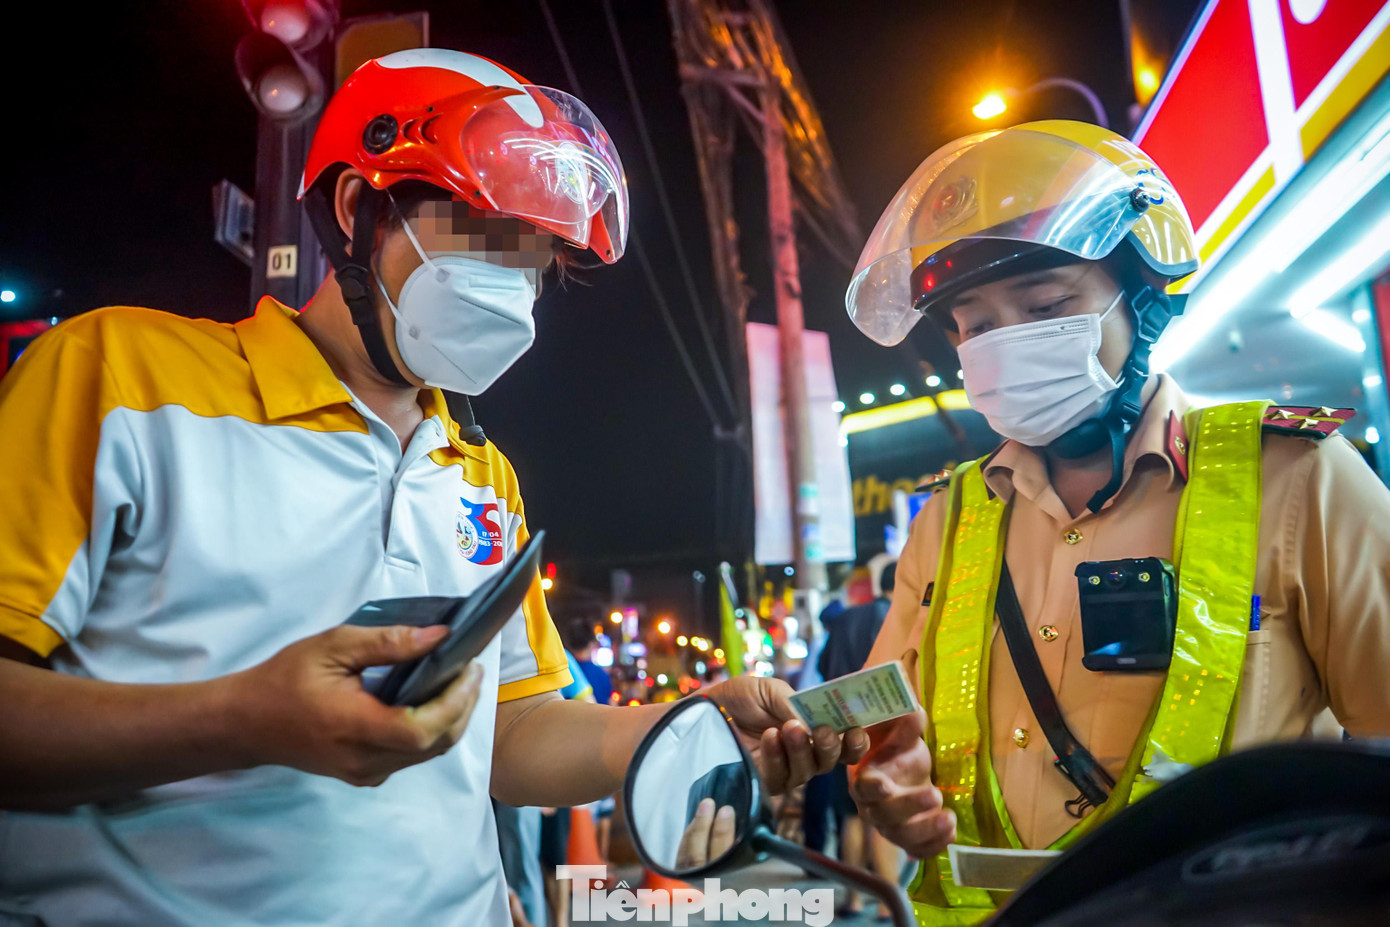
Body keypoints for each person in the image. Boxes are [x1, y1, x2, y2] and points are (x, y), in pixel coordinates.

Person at [0, 49, 868, 926]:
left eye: (537, 261)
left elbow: (512, 733)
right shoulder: (117, 375)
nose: (515, 290)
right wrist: (240, 716)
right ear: (356, 209)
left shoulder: (482, 471)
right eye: (488, 237)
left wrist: (679, 724)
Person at [839, 120, 1390, 924]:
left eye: (1048, 302)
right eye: (976, 323)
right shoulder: (947, 518)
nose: (1007, 343)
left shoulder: (1302, 477)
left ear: (1145, 300)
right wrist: (880, 779)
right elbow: (881, 723)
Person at [816, 562, 902, 921]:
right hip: (883, 728)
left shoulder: (845, 619)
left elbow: (823, 665)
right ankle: (886, 903)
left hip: (840, 727)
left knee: (850, 818)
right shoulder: (895, 618)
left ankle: (852, 899)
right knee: (883, 817)